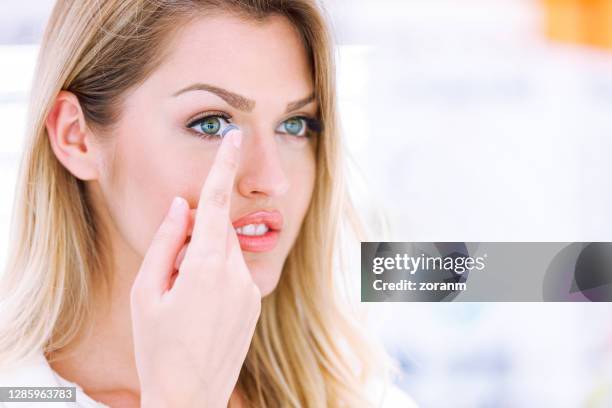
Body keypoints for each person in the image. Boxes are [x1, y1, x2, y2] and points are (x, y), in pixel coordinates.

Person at [0, 0, 417, 406]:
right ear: (76, 136)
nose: (272, 181)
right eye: (212, 124)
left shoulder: (359, 397)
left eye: (294, 125)